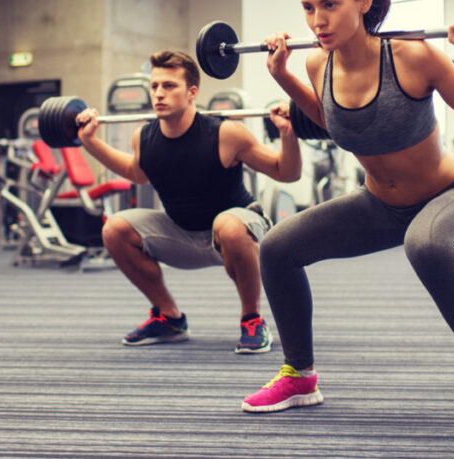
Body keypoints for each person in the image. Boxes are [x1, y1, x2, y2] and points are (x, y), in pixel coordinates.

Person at [243, 0, 454, 447]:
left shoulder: (413, 56)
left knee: (428, 246)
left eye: (329, 5)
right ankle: (299, 375)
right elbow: (336, 125)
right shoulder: (316, 62)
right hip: (380, 205)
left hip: (452, 195)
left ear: (364, 0)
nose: (317, 20)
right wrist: (283, 76)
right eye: (308, 8)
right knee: (278, 246)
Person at [75, 50, 302, 354]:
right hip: (182, 232)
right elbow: (136, 173)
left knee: (228, 225)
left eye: (169, 86)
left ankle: (252, 319)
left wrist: (288, 135)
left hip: (236, 232)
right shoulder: (144, 136)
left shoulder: (226, 133)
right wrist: (90, 142)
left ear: (192, 92)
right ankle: (169, 317)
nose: (159, 94)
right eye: (154, 86)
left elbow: (286, 173)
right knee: (114, 228)